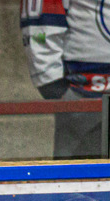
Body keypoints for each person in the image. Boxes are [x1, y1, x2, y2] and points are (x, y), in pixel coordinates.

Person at [20, 0, 105, 159]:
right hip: (83, 100)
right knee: (79, 177)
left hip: (84, 99)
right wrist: (56, 88)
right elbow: (39, 31)